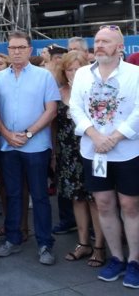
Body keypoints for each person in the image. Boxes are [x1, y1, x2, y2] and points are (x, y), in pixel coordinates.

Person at [70, 25, 139, 287]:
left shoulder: (135, 74)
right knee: (104, 205)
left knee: (130, 206)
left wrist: (115, 137)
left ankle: (135, 261)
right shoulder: (82, 74)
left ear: (120, 47)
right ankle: (117, 258)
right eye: (97, 41)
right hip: (94, 151)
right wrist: (96, 136)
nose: (99, 45)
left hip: (128, 152)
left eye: (106, 41)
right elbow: (76, 107)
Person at [0, 31, 60, 265]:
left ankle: (44, 244)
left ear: (30, 50)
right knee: (12, 194)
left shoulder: (44, 76)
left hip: (37, 146)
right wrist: (6, 134)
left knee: (40, 196)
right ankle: (13, 239)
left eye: (21, 47)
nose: (17, 51)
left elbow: (51, 110)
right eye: (12, 48)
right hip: (8, 146)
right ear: (8, 50)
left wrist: (29, 133)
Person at [53, 51, 106, 266]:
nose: (74, 72)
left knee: (97, 200)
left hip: (94, 152)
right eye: (69, 69)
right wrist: (53, 153)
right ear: (63, 72)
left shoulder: (97, 91)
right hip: (67, 153)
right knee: (77, 198)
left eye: (78, 68)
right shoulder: (59, 92)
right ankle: (83, 243)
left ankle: (100, 247)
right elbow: (54, 127)